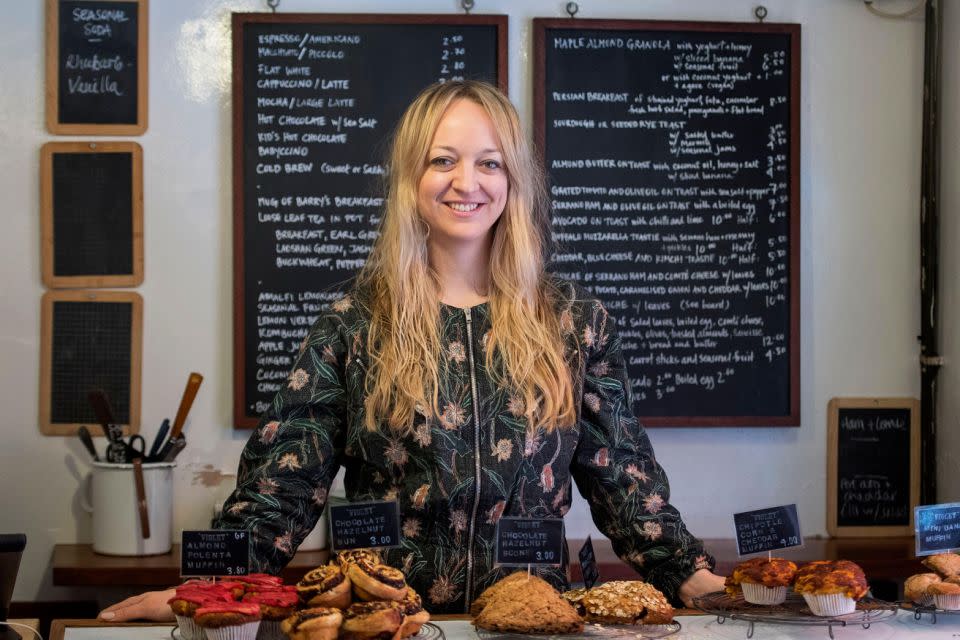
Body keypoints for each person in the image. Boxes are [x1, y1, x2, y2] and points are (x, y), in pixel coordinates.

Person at [99, 79, 724, 622]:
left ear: (514, 181)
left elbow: (622, 478)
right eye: (442, 160)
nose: (466, 183)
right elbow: (281, 487)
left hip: (535, 621)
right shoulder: (352, 325)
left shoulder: (572, 322)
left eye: (490, 163)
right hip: (389, 623)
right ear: (411, 179)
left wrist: (693, 575)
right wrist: (208, 590)